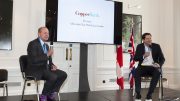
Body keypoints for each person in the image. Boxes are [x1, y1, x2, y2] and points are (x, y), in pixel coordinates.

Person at [26, 26, 67, 101]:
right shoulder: (32, 44)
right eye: (45, 33)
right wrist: (47, 54)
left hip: (45, 68)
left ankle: (52, 92)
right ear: (39, 34)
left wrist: (52, 65)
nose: (47, 35)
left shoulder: (46, 46)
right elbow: (33, 60)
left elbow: (48, 60)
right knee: (53, 76)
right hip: (35, 69)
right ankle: (43, 95)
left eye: (48, 33)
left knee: (63, 74)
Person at [134, 33, 165, 101]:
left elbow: (162, 59)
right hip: (142, 67)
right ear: (143, 40)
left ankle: (149, 95)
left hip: (153, 67)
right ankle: (138, 94)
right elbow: (135, 58)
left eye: (150, 38)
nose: (149, 40)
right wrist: (143, 56)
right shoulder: (139, 46)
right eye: (147, 38)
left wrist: (159, 64)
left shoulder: (156, 46)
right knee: (136, 72)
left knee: (157, 72)